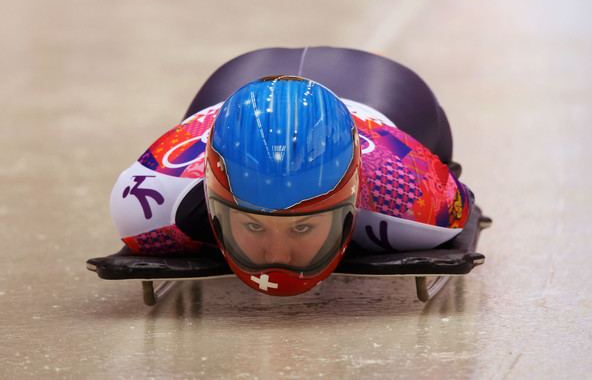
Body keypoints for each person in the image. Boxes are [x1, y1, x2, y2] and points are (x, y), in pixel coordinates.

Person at [110, 54, 472, 296]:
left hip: (385, 90)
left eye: (301, 227)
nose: (276, 255)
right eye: (253, 226)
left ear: (354, 200)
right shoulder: (145, 202)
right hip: (232, 91)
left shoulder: (416, 198)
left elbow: (461, 200)